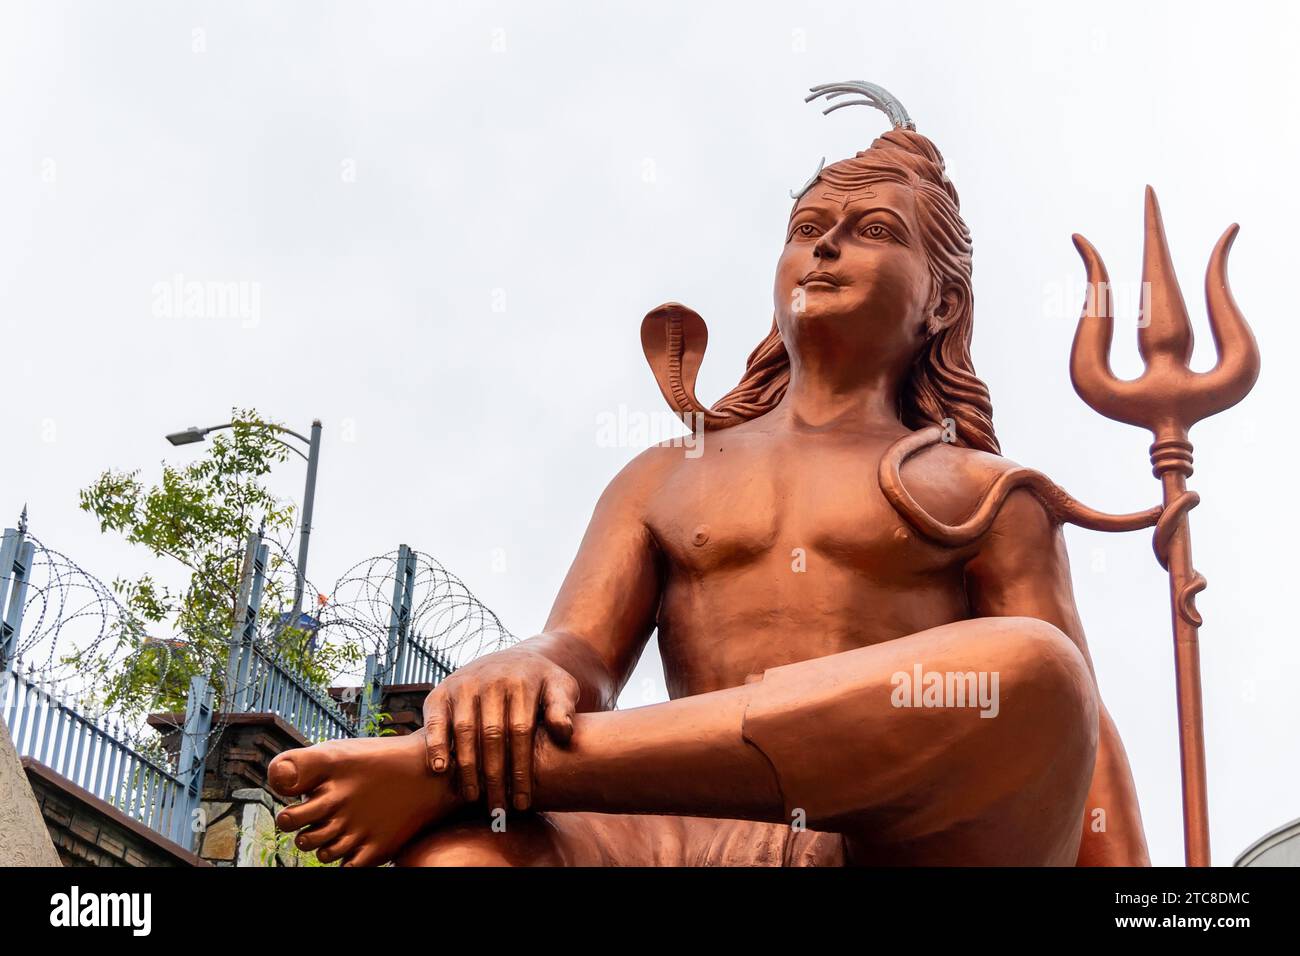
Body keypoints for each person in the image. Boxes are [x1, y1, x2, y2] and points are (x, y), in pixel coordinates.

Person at [269, 92, 1150, 867]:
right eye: (808, 230)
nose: (827, 248)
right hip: (674, 829)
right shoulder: (665, 477)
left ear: (941, 303)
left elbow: (1073, 730)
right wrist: (523, 664)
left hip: (890, 843)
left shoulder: (988, 491)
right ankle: (480, 780)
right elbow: (579, 656)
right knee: (465, 854)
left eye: (873, 232)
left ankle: (449, 773)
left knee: (1033, 671)